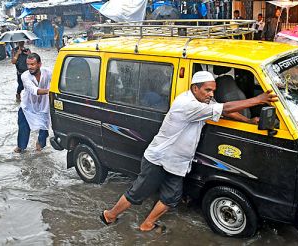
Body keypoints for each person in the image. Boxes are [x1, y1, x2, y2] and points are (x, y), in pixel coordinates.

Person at [100, 71, 278, 232]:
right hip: (159, 159)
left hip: (177, 162)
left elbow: (225, 111)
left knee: (171, 197)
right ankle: (110, 215)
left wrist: (248, 123)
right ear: (195, 88)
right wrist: (258, 100)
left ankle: (147, 224)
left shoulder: (204, 101)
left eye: (213, 91)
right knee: (137, 193)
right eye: (208, 90)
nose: (211, 95)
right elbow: (226, 108)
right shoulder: (187, 104)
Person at [14, 53, 52, 153]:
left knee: (44, 130)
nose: (30, 67)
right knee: (23, 131)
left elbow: (58, 78)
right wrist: (51, 91)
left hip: (43, 107)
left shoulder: (48, 72)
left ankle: (39, 149)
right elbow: (34, 90)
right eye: (28, 64)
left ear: (39, 64)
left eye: (32, 64)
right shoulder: (25, 76)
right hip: (27, 107)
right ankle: (20, 149)